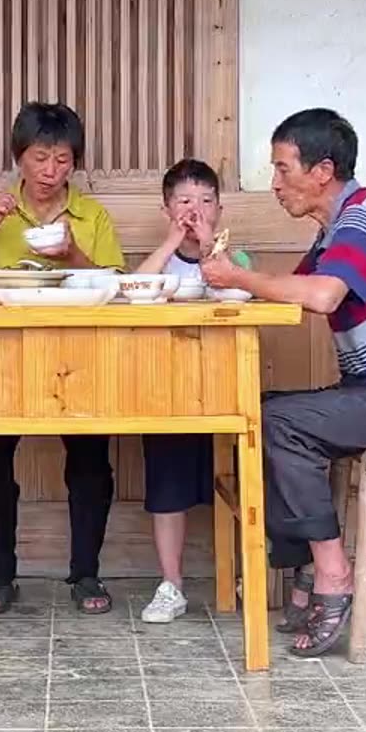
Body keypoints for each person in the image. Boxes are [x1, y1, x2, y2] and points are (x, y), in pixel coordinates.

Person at [199, 108, 366, 658]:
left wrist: (237, 276)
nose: (275, 184)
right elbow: (289, 289)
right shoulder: (338, 230)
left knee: (279, 422)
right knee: (263, 411)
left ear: (322, 170)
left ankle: (331, 572)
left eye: (282, 169)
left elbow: (320, 297)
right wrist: (221, 261)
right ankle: (305, 564)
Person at [0, 102, 125, 616]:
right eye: (40, 158)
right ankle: (0, 573)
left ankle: (86, 574)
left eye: (62, 160)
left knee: (89, 462)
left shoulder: (91, 215)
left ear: (74, 163)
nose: (50, 172)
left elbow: (116, 287)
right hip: (2, 355)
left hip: (78, 355)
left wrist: (72, 256)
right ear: (19, 157)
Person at [130, 159, 251, 623]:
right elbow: (134, 291)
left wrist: (206, 246)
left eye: (205, 201)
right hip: (170, 389)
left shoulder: (234, 260)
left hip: (224, 386)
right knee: (167, 480)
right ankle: (171, 584)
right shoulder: (164, 257)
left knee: (245, 474)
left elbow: (236, 288)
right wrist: (173, 243)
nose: (195, 209)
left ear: (219, 208)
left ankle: (246, 572)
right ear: (167, 209)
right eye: (184, 201)